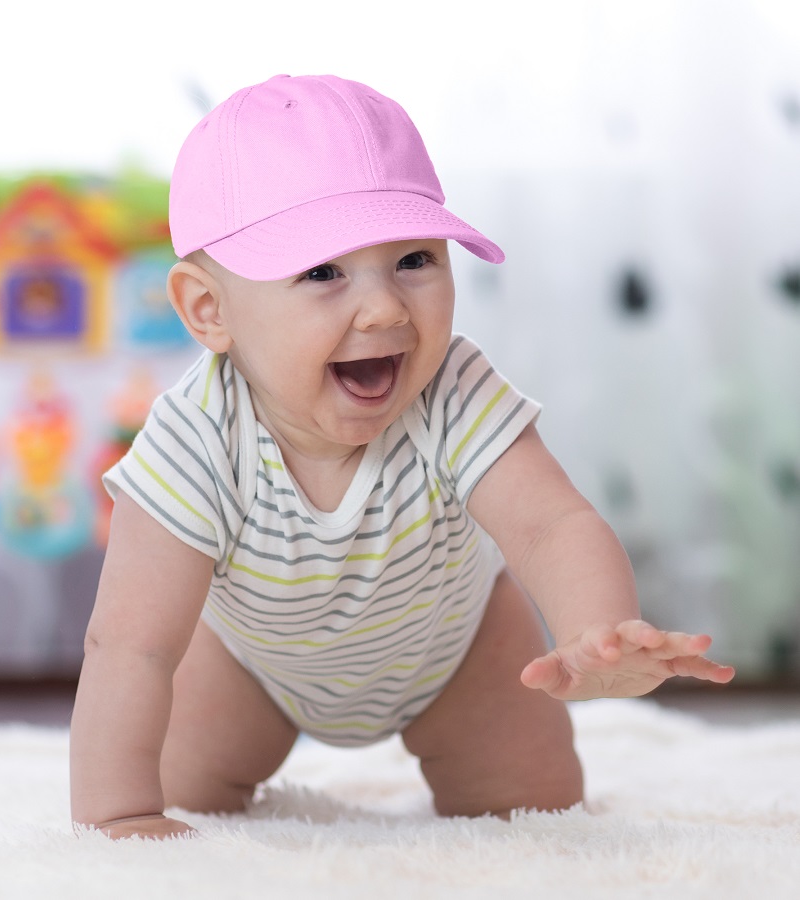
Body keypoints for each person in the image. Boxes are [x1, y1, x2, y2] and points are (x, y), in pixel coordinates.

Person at [69, 74, 734, 840]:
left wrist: (598, 631)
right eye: (323, 272)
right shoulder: (195, 439)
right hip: (251, 668)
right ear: (208, 310)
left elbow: (551, 524)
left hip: (461, 655)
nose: (385, 308)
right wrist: (119, 815)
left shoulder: (452, 389)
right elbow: (130, 644)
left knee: (537, 816)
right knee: (179, 791)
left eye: (414, 259)